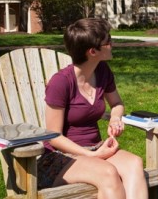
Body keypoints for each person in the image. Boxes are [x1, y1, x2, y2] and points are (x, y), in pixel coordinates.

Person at [36, 18, 148, 199]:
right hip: (59, 157)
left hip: (95, 147)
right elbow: (54, 136)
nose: (112, 44)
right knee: (108, 173)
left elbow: (117, 104)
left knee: (134, 163)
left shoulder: (102, 71)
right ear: (93, 51)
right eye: (108, 41)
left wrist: (115, 118)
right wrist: (90, 154)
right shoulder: (61, 82)